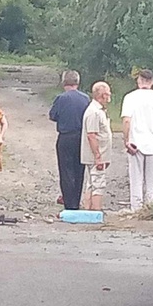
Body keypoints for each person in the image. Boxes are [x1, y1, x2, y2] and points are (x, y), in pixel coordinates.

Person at [121, 69, 153, 212]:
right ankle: (151, 209)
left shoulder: (130, 97)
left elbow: (126, 121)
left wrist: (126, 140)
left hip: (136, 142)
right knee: (152, 181)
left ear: (139, 81)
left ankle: (136, 209)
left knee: (136, 179)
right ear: (152, 82)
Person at [49, 70, 90, 211]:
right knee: (79, 170)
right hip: (81, 137)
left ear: (64, 82)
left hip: (65, 136)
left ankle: (68, 202)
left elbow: (53, 116)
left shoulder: (61, 99)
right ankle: (76, 201)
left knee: (66, 170)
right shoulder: (85, 98)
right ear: (77, 82)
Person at [80, 81, 113, 211]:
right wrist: (98, 157)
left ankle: (89, 209)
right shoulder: (94, 112)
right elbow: (91, 135)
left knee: (91, 183)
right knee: (98, 183)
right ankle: (96, 210)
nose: (110, 96)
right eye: (108, 94)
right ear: (102, 95)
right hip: (96, 157)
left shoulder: (98, 110)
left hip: (97, 156)